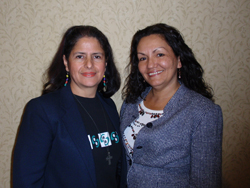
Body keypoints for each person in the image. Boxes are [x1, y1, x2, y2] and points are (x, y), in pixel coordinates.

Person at [13, 25, 126, 188]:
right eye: (80, 56)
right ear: (66, 62)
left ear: (105, 63)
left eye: (97, 56)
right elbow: (26, 181)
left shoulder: (109, 106)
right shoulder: (42, 111)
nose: (89, 64)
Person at [120, 23, 223, 188]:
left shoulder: (203, 113)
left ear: (179, 60)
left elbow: (205, 182)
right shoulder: (131, 103)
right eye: (142, 58)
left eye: (159, 54)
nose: (150, 64)